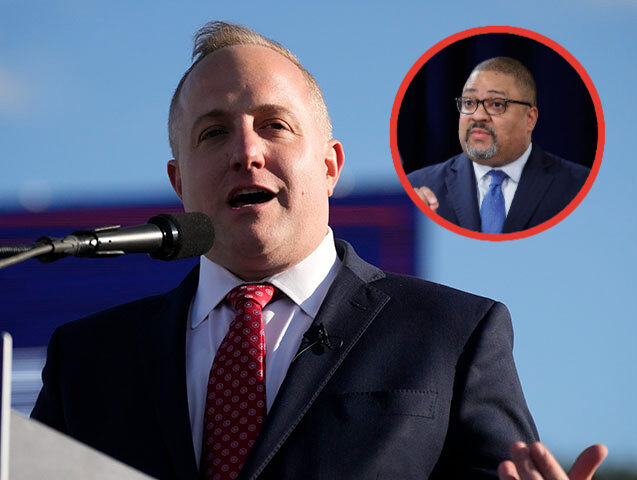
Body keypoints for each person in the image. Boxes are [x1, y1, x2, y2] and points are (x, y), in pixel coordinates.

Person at [30, 22, 590, 480]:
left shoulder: (454, 333)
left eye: (274, 126)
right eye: (214, 133)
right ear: (178, 181)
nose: (246, 152)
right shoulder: (87, 361)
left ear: (329, 166)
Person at [407, 57, 590, 234]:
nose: (478, 116)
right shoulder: (417, 188)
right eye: (469, 103)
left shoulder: (579, 188)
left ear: (530, 119)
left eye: (496, 105)